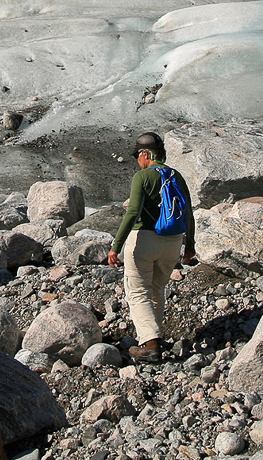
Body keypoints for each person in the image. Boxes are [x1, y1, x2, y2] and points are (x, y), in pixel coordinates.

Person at [107, 132, 196, 363]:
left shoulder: (143, 176)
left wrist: (115, 246)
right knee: (157, 288)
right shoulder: (176, 175)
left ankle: (150, 344)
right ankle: (153, 335)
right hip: (173, 241)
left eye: (138, 155)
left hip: (144, 239)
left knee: (137, 291)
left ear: (146, 154)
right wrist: (190, 245)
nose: (137, 160)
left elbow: (133, 211)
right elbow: (188, 212)